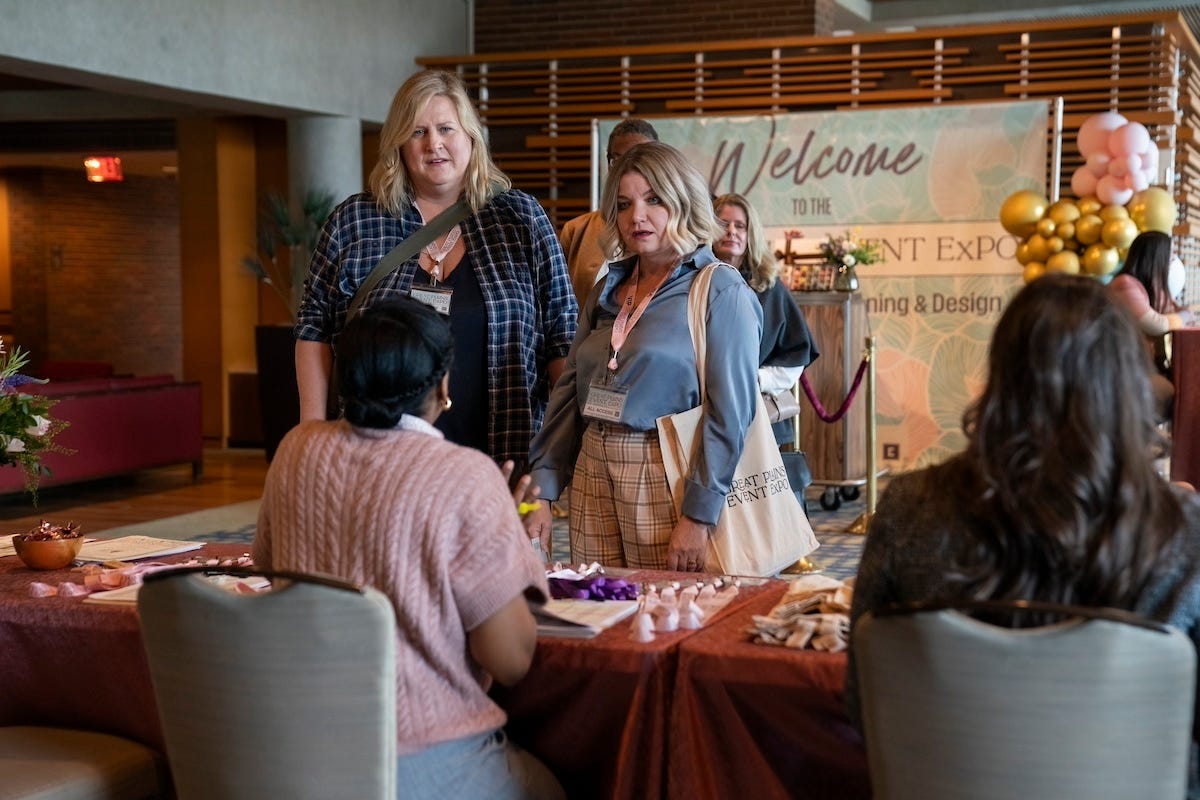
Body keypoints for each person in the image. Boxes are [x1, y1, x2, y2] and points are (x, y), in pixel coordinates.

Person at [845, 274, 1200, 785]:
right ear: (1129, 385)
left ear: (1002, 376)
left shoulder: (906, 511)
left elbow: (866, 704)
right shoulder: (1185, 534)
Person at [256, 297, 565, 800]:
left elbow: (274, 572)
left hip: (293, 752)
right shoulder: (465, 475)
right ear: (442, 386)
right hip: (419, 764)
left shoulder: (296, 451)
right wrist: (511, 538)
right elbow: (510, 659)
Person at [295, 69, 578, 473]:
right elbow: (314, 329)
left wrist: (551, 467)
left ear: (470, 136)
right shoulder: (354, 220)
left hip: (507, 461)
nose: (434, 144)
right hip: (378, 466)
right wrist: (311, 428)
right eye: (418, 132)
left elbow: (561, 335)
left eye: (446, 128)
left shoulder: (521, 219)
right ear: (399, 144)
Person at [526, 141, 764, 571]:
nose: (637, 216)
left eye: (653, 199)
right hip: (592, 467)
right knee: (599, 610)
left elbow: (731, 415)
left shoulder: (720, 290)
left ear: (683, 200)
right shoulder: (606, 289)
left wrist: (698, 514)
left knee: (665, 614)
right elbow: (567, 392)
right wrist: (542, 487)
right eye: (624, 203)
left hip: (666, 471)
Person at [712, 192, 819, 446]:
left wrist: (757, 379)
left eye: (740, 226)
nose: (731, 231)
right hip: (705, 414)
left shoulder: (769, 288)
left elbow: (795, 358)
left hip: (759, 419)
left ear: (752, 234)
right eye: (723, 224)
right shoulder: (693, 282)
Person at [558, 119, 659, 306]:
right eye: (619, 160)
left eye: (640, 158)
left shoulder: (674, 230)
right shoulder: (577, 231)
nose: (628, 167)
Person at [1106, 230, 1200, 419]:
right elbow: (1157, 325)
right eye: (1171, 255)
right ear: (1156, 257)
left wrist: (1183, 312)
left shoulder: (1152, 286)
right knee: (1174, 393)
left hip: (1139, 365)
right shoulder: (1125, 284)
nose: (1174, 261)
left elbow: (1170, 315)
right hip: (1119, 369)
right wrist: (1187, 314)